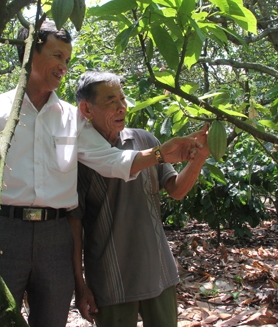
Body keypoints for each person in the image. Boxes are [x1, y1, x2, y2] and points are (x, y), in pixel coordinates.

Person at [0, 21, 203, 327]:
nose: (63, 66)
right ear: (29, 54)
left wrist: (159, 154)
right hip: (4, 232)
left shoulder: (72, 120)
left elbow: (111, 161)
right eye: (56, 55)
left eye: (67, 60)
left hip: (55, 237)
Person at [69, 71, 210, 327]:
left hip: (158, 270)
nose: (121, 107)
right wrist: (80, 284)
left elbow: (176, 190)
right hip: (111, 280)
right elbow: (74, 223)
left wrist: (199, 157)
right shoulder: (78, 157)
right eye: (111, 101)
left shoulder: (144, 140)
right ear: (86, 109)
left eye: (122, 98)